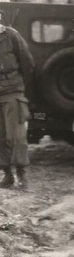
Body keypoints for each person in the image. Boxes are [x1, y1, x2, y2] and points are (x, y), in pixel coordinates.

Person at [0, 14, 35, 190]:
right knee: (1, 135)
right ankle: (7, 175)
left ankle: (22, 176)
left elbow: (27, 62)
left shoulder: (12, 35)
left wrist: (19, 86)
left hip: (13, 91)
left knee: (16, 136)